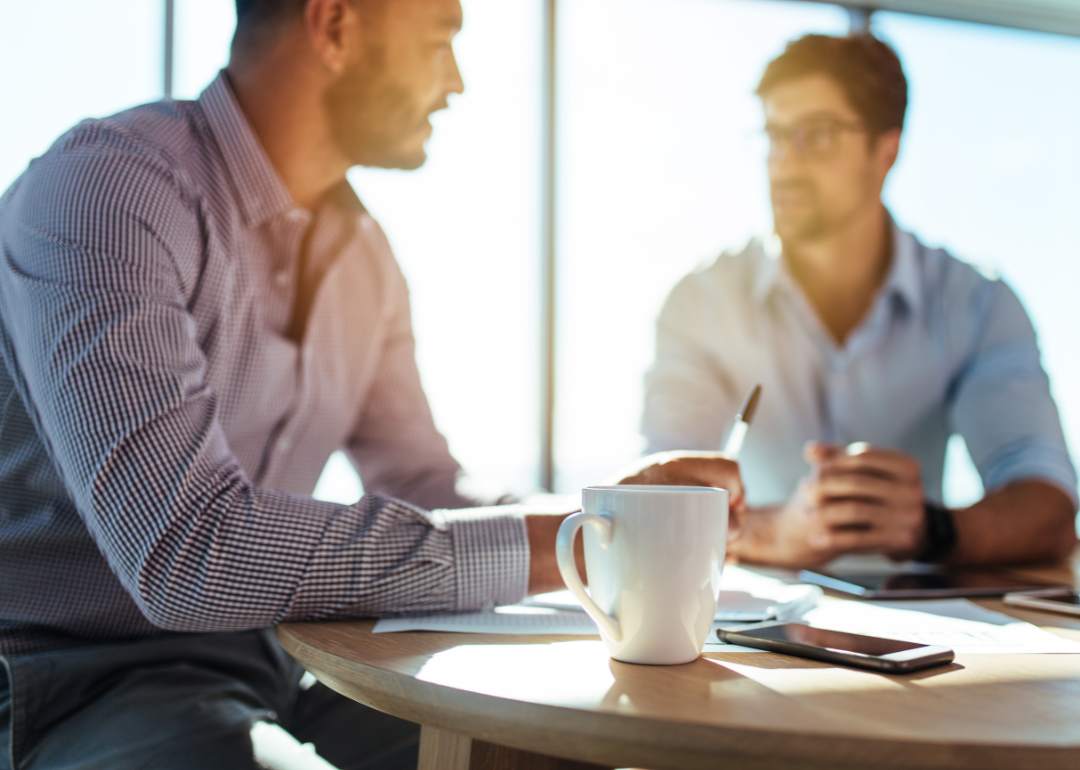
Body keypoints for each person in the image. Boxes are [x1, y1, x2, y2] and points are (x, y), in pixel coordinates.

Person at [0, 1, 742, 767]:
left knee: (561, 750)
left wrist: (606, 516)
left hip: (285, 656)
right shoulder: (106, 191)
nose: (454, 80)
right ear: (335, 27)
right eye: (439, 40)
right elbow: (189, 552)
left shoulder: (364, 258)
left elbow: (423, 485)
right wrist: (570, 547)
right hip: (66, 682)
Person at [642, 33, 1076, 570]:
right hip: (751, 624)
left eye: (817, 136)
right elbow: (654, 501)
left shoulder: (977, 304)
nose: (783, 163)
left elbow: (1050, 506)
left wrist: (932, 527)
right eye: (775, 135)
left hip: (932, 630)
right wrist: (776, 532)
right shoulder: (701, 303)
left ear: (886, 151)